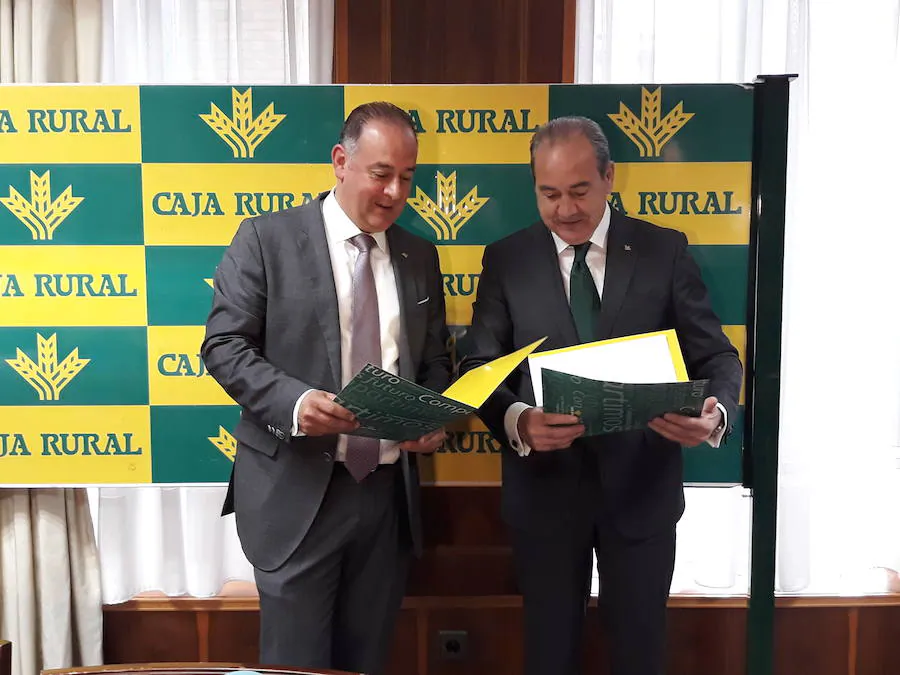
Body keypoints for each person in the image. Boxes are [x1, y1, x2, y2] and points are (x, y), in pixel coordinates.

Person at [457, 116, 743, 675]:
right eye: (549, 193)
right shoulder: (507, 260)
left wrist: (714, 415)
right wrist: (516, 420)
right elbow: (477, 366)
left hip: (642, 494)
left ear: (610, 177)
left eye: (580, 191)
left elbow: (717, 357)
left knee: (639, 655)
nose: (565, 209)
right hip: (543, 497)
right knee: (548, 657)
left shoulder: (665, 251)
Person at [201, 101, 452, 675]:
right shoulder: (266, 239)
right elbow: (224, 346)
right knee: (295, 668)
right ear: (341, 161)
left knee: (369, 662)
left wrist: (431, 415)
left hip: (386, 497)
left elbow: (434, 359)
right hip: (296, 490)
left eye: (407, 179)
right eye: (381, 174)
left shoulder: (420, 255)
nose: (394, 193)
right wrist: (294, 403)